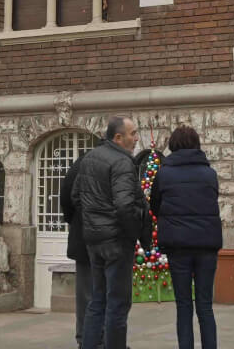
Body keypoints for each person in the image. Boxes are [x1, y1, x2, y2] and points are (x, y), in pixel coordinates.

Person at [76, 115, 146, 349]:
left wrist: (93, 221)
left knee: (98, 301)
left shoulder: (89, 158)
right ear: (118, 138)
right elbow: (125, 206)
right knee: (117, 304)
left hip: (94, 240)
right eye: (132, 134)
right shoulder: (122, 162)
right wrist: (133, 232)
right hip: (116, 241)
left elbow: (76, 197)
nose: (136, 138)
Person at [150, 124, 221, 349]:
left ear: (173, 145)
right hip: (207, 244)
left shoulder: (164, 174)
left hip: (177, 245)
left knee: (183, 305)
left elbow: (154, 206)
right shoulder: (209, 174)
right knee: (205, 305)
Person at [59, 144, 94, 349]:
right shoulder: (118, 162)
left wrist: (75, 221)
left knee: (86, 294)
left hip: (82, 236)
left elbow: (66, 197)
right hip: (104, 239)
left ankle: (85, 338)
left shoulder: (81, 162)